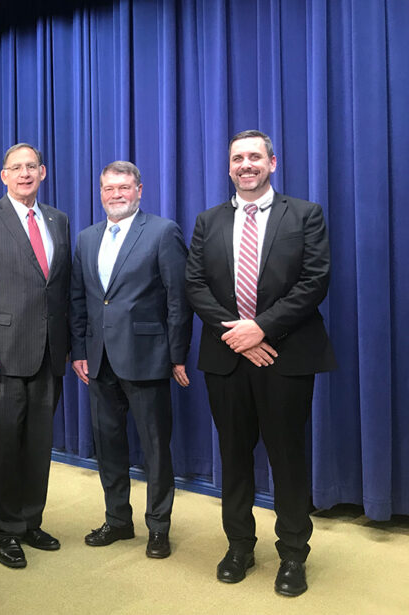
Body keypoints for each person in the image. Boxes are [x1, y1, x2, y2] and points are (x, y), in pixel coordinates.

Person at [185, 130, 336, 596]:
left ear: (272, 162)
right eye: (237, 158)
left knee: (287, 458)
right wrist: (240, 335)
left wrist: (262, 329)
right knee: (233, 457)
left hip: (286, 357)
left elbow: (315, 282)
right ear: (229, 167)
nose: (245, 164)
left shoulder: (305, 214)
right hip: (227, 358)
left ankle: (293, 554)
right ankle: (239, 547)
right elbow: (194, 286)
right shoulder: (207, 221)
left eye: (255, 156)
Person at [70, 161, 192, 560]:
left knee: (156, 448)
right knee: (108, 446)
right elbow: (80, 301)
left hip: (148, 358)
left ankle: (159, 527)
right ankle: (118, 520)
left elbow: (178, 299)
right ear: (100, 192)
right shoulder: (87, 239)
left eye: (124, 187)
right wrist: (79, 352)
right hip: (98, 361)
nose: (116, 194)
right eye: (109, 188)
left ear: (140, 189)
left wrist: (177, 354)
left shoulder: (162, 231)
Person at [0, 143, 72, 569]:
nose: (24, 173)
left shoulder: (58, 220)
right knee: (5, 446)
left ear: (43, 173)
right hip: (2, 357)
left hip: (49, 355)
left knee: (39, 445)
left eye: (32, 166)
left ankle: (30, 520)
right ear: (3, 175)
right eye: (16, 167)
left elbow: (60, 290)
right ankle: (5, 529)